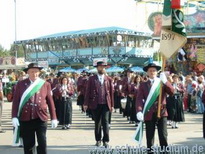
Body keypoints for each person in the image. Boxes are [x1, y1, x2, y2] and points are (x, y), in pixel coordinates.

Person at [12, 63, 58, 154]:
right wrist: (14, 116)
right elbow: (16, 101)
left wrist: (54, 118)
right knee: (28, 144)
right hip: (26, 118)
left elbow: (50, 102)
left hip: (41, 117)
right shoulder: (21, 84)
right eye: (32, 72)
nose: (34, 74)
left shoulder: (45, 84)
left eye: (36, 72)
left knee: (42, 142)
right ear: (28, 72)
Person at [136, 63, 174, 154]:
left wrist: (166, 82)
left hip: (162, 111)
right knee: (149, 135)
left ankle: (164, 151)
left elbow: (172, 92)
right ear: (147, 73)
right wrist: (139, 111)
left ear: (157, 72)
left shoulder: (161, 83)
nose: (152, 72)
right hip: (149, 112)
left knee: (163, 135)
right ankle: (150, 151)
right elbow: (139, 99)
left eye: (154, 70)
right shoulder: (143, 85)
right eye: (150, 71)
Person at [84, 61, 114, 148]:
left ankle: (106, 140)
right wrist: (85, 103)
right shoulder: (92, 79)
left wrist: (112, 105)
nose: (102, 69)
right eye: (100, 67)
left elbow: (111, 93)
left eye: (103, 67)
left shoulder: (108, 79)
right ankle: (98, 140)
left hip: (106, 103)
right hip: (95, 103)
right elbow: (87, 91)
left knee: (105, 122)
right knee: (97, 122)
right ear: (97, 68)